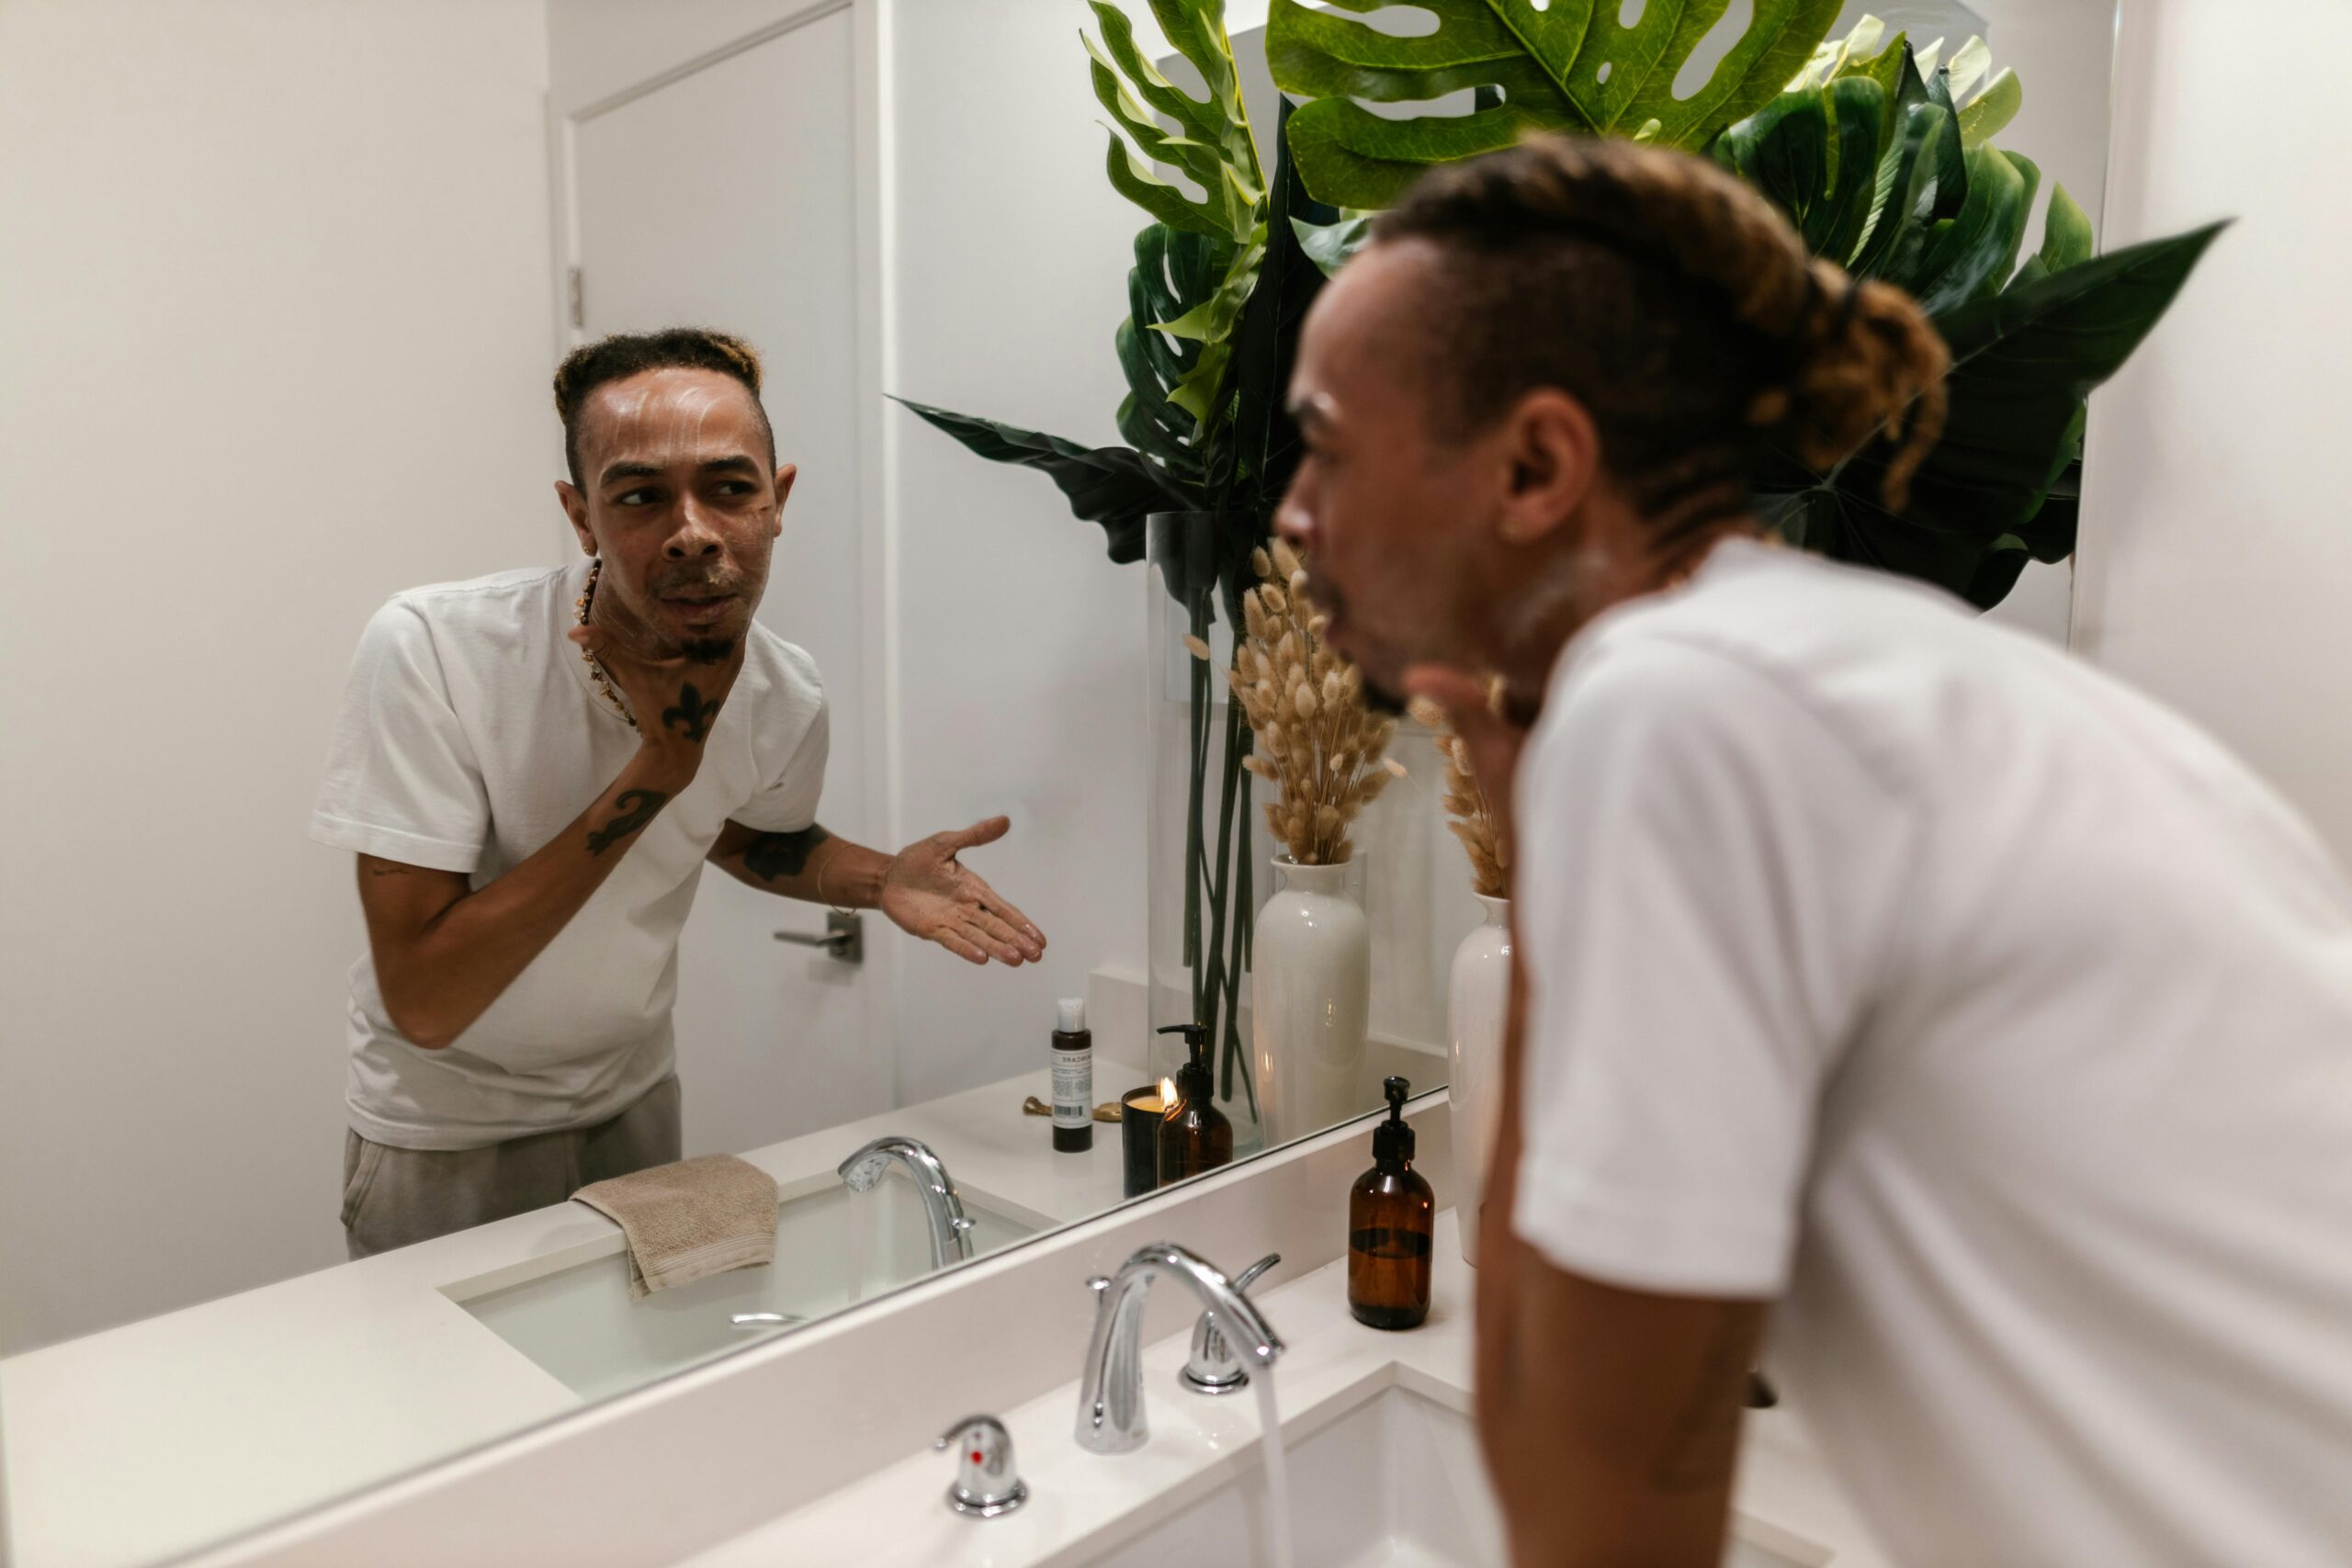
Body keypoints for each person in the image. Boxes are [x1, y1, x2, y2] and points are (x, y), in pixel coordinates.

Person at [1276, 137, 2352, 1566]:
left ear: (1537, 463)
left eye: (1329, 443)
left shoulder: (1679, 705)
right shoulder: (1856, 672)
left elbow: (1597, 1514)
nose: (1291, 510)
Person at [312, 328, 1046, 1259]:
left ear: (777, 503)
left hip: (636, 1106)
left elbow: (739, 834)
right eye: (640, 497)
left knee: (654, 1388)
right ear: (583, 518)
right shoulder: (434, 651)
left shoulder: (783, 693)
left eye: (729, 488)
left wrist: (877, 878)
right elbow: (427, 998)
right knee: (462, 1403)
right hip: (448, 1133)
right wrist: (660, 768)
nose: (692, 530)